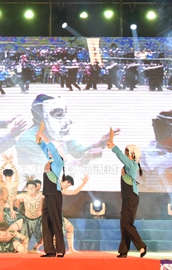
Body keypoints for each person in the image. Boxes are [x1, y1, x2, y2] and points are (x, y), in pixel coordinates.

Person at [16, 94, 118, 167]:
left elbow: (79, 151)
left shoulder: (56, 133)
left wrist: (99, 144)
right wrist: (81, 161)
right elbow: (48, 171)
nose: (69, 121)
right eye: (59, 115)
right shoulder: (28, 141)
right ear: (42, 117)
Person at [106, 137, 147, 258]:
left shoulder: (132, 164)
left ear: (133, 154)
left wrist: (114, 147)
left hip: (131, 197)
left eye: (127, 153)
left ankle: (141, 246)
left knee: (126, 222)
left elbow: (120, 156)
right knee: (124, 223)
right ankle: (123, 251)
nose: (126, 155)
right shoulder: (129, 165)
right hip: (127, 197)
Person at [36, 129, 65, 257]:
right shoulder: (50, 160)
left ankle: (60, 250)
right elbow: (44, 148)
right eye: (48, 151)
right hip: (47, 195)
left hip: (55, 194)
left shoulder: (59, 161)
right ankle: (50, 250)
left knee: (56, 222)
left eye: (51, 150)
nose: (49, 152)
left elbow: (51, 148)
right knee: (46, 223)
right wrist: (39, 141)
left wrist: (43, 136)